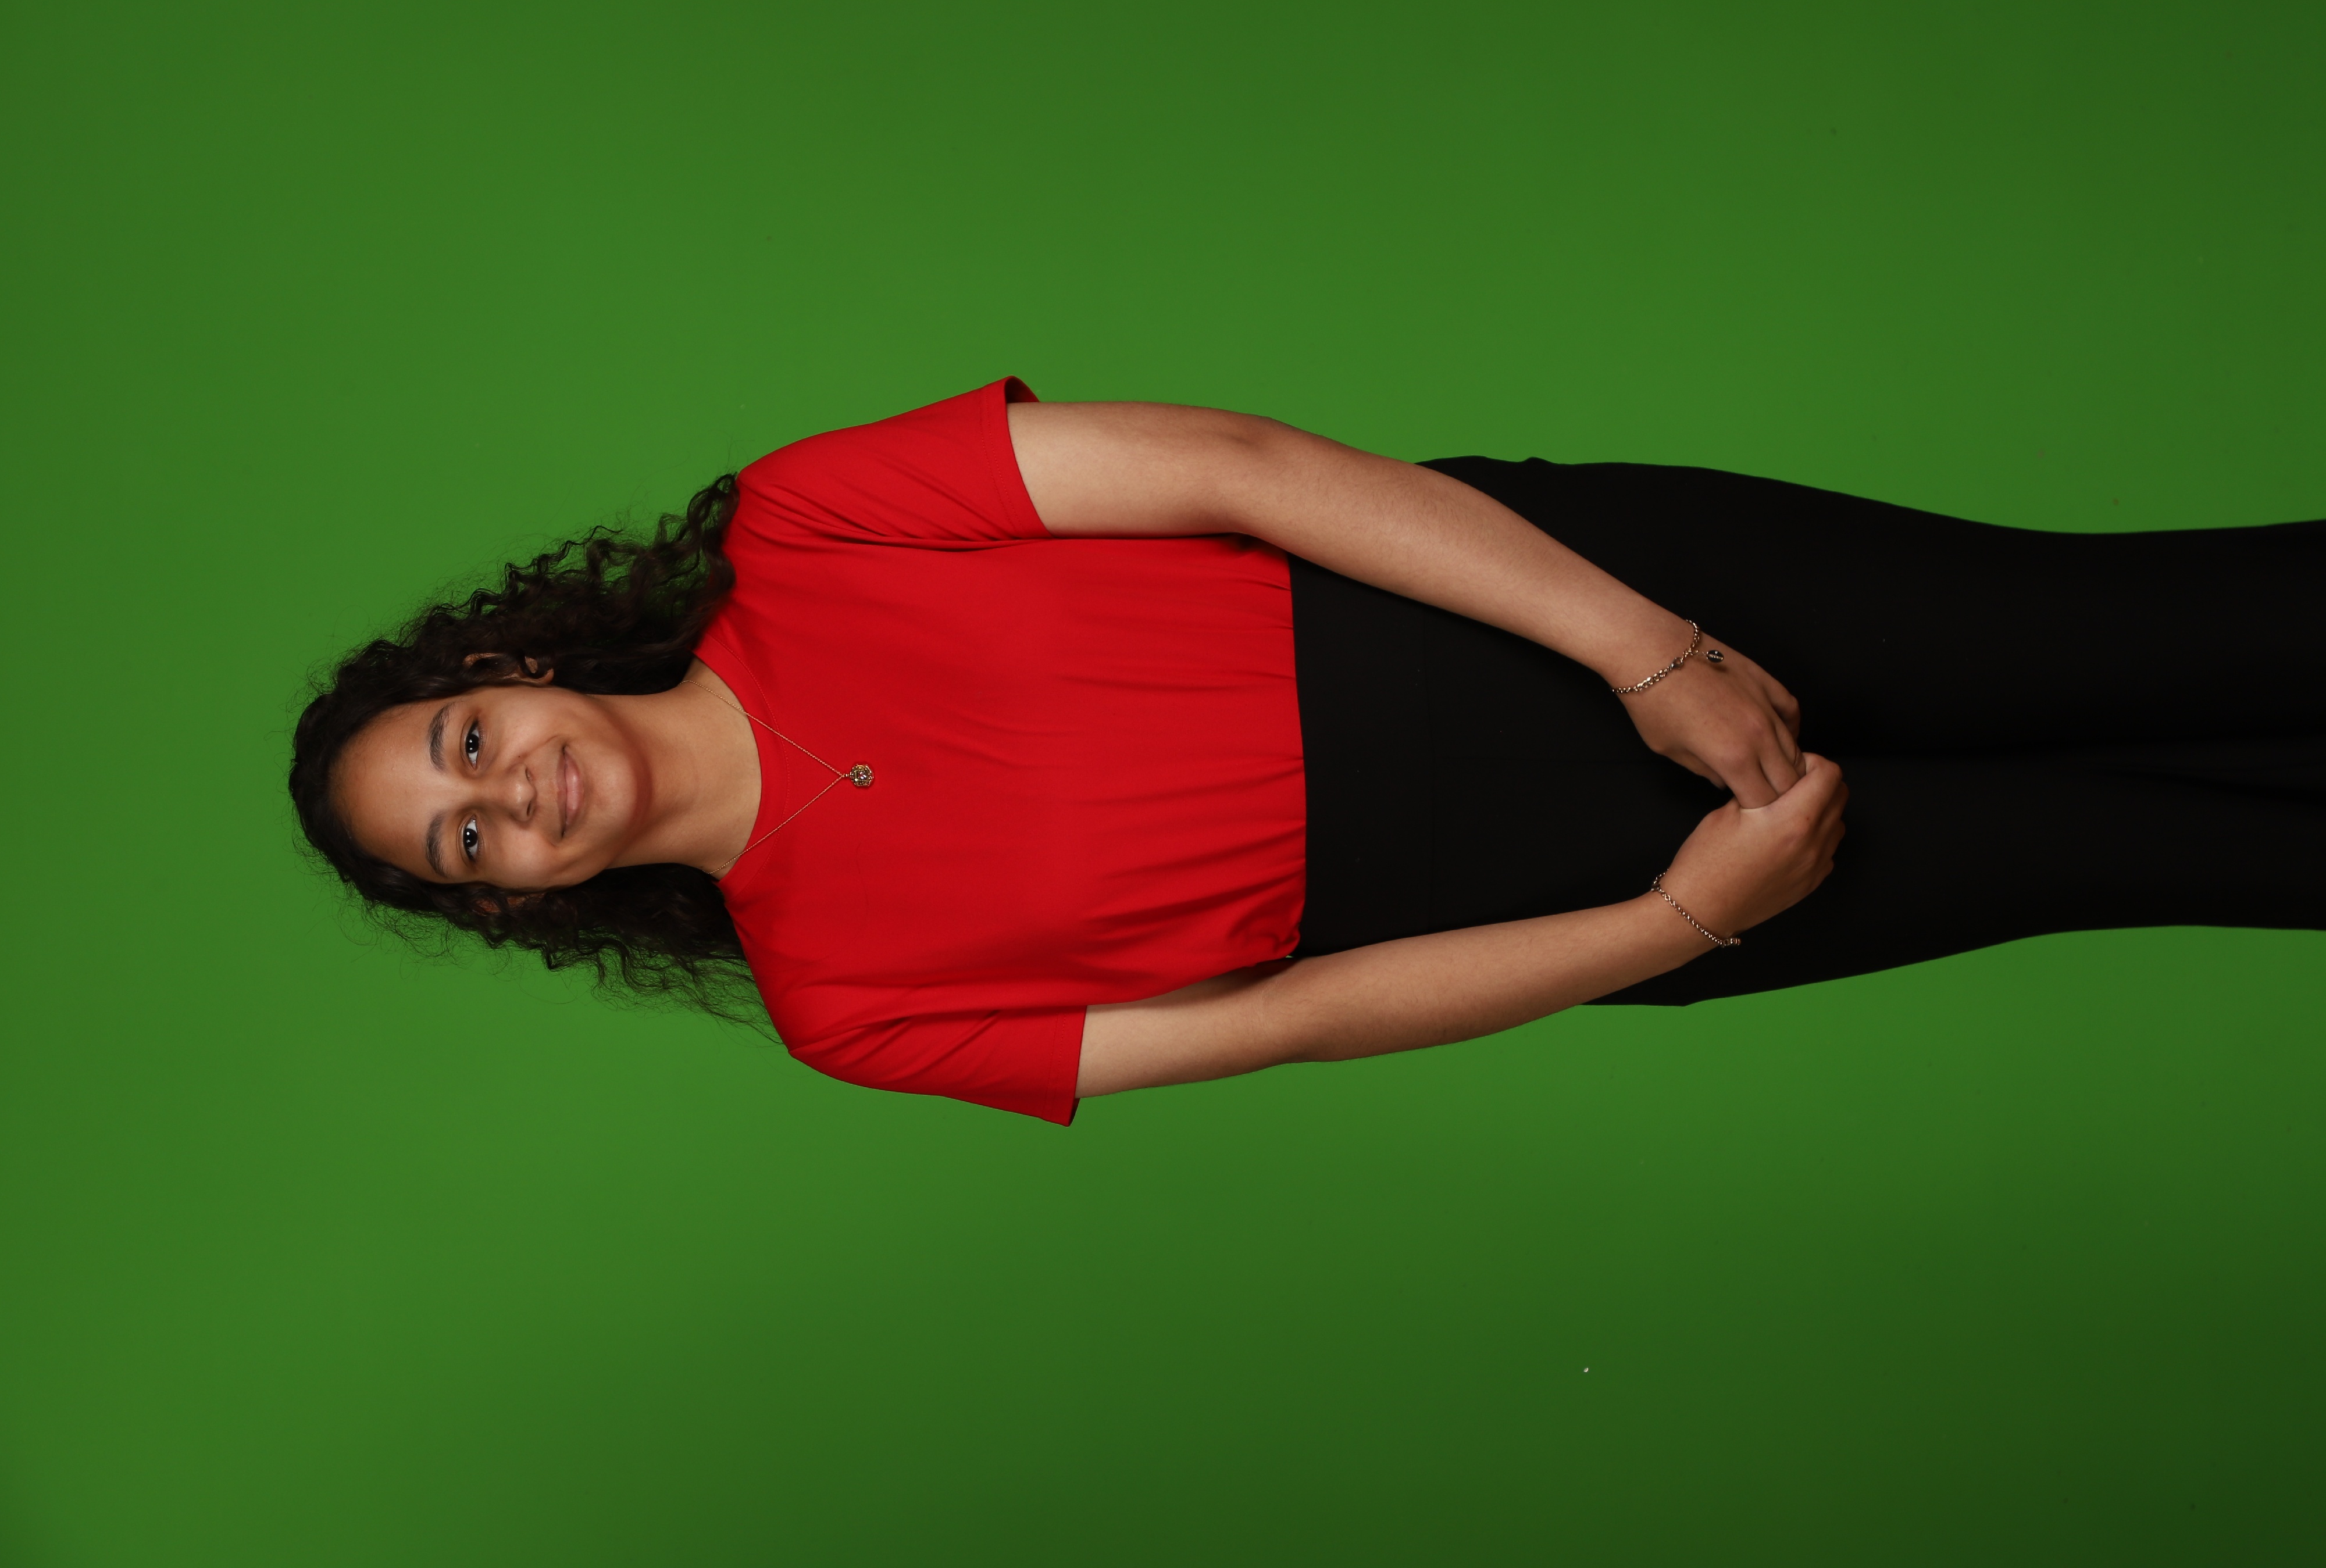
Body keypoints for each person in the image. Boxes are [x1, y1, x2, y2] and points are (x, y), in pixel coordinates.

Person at [291, 379, 2326, 1124]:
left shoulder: (809, 520)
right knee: (2181, 851)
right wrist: (1685, 921)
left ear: (508, 667)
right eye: (467, 841)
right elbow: (1285, 1019)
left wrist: (1652, 647)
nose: (509, 793)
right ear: (519, 902)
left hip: (1571, 601)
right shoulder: (848, 1011)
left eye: (468, 742)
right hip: (1592, 898)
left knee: (2170, 631)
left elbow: (1245, 468)